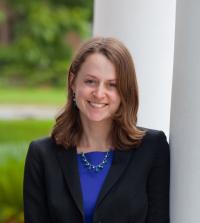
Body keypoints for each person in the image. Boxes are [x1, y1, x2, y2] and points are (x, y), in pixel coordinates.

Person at [23, 37, 170, 223]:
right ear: (73, 81)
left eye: (112, 84)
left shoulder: (152, 148)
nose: (99, 93)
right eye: (91, 81)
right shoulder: (42, 154)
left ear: (125, 90)